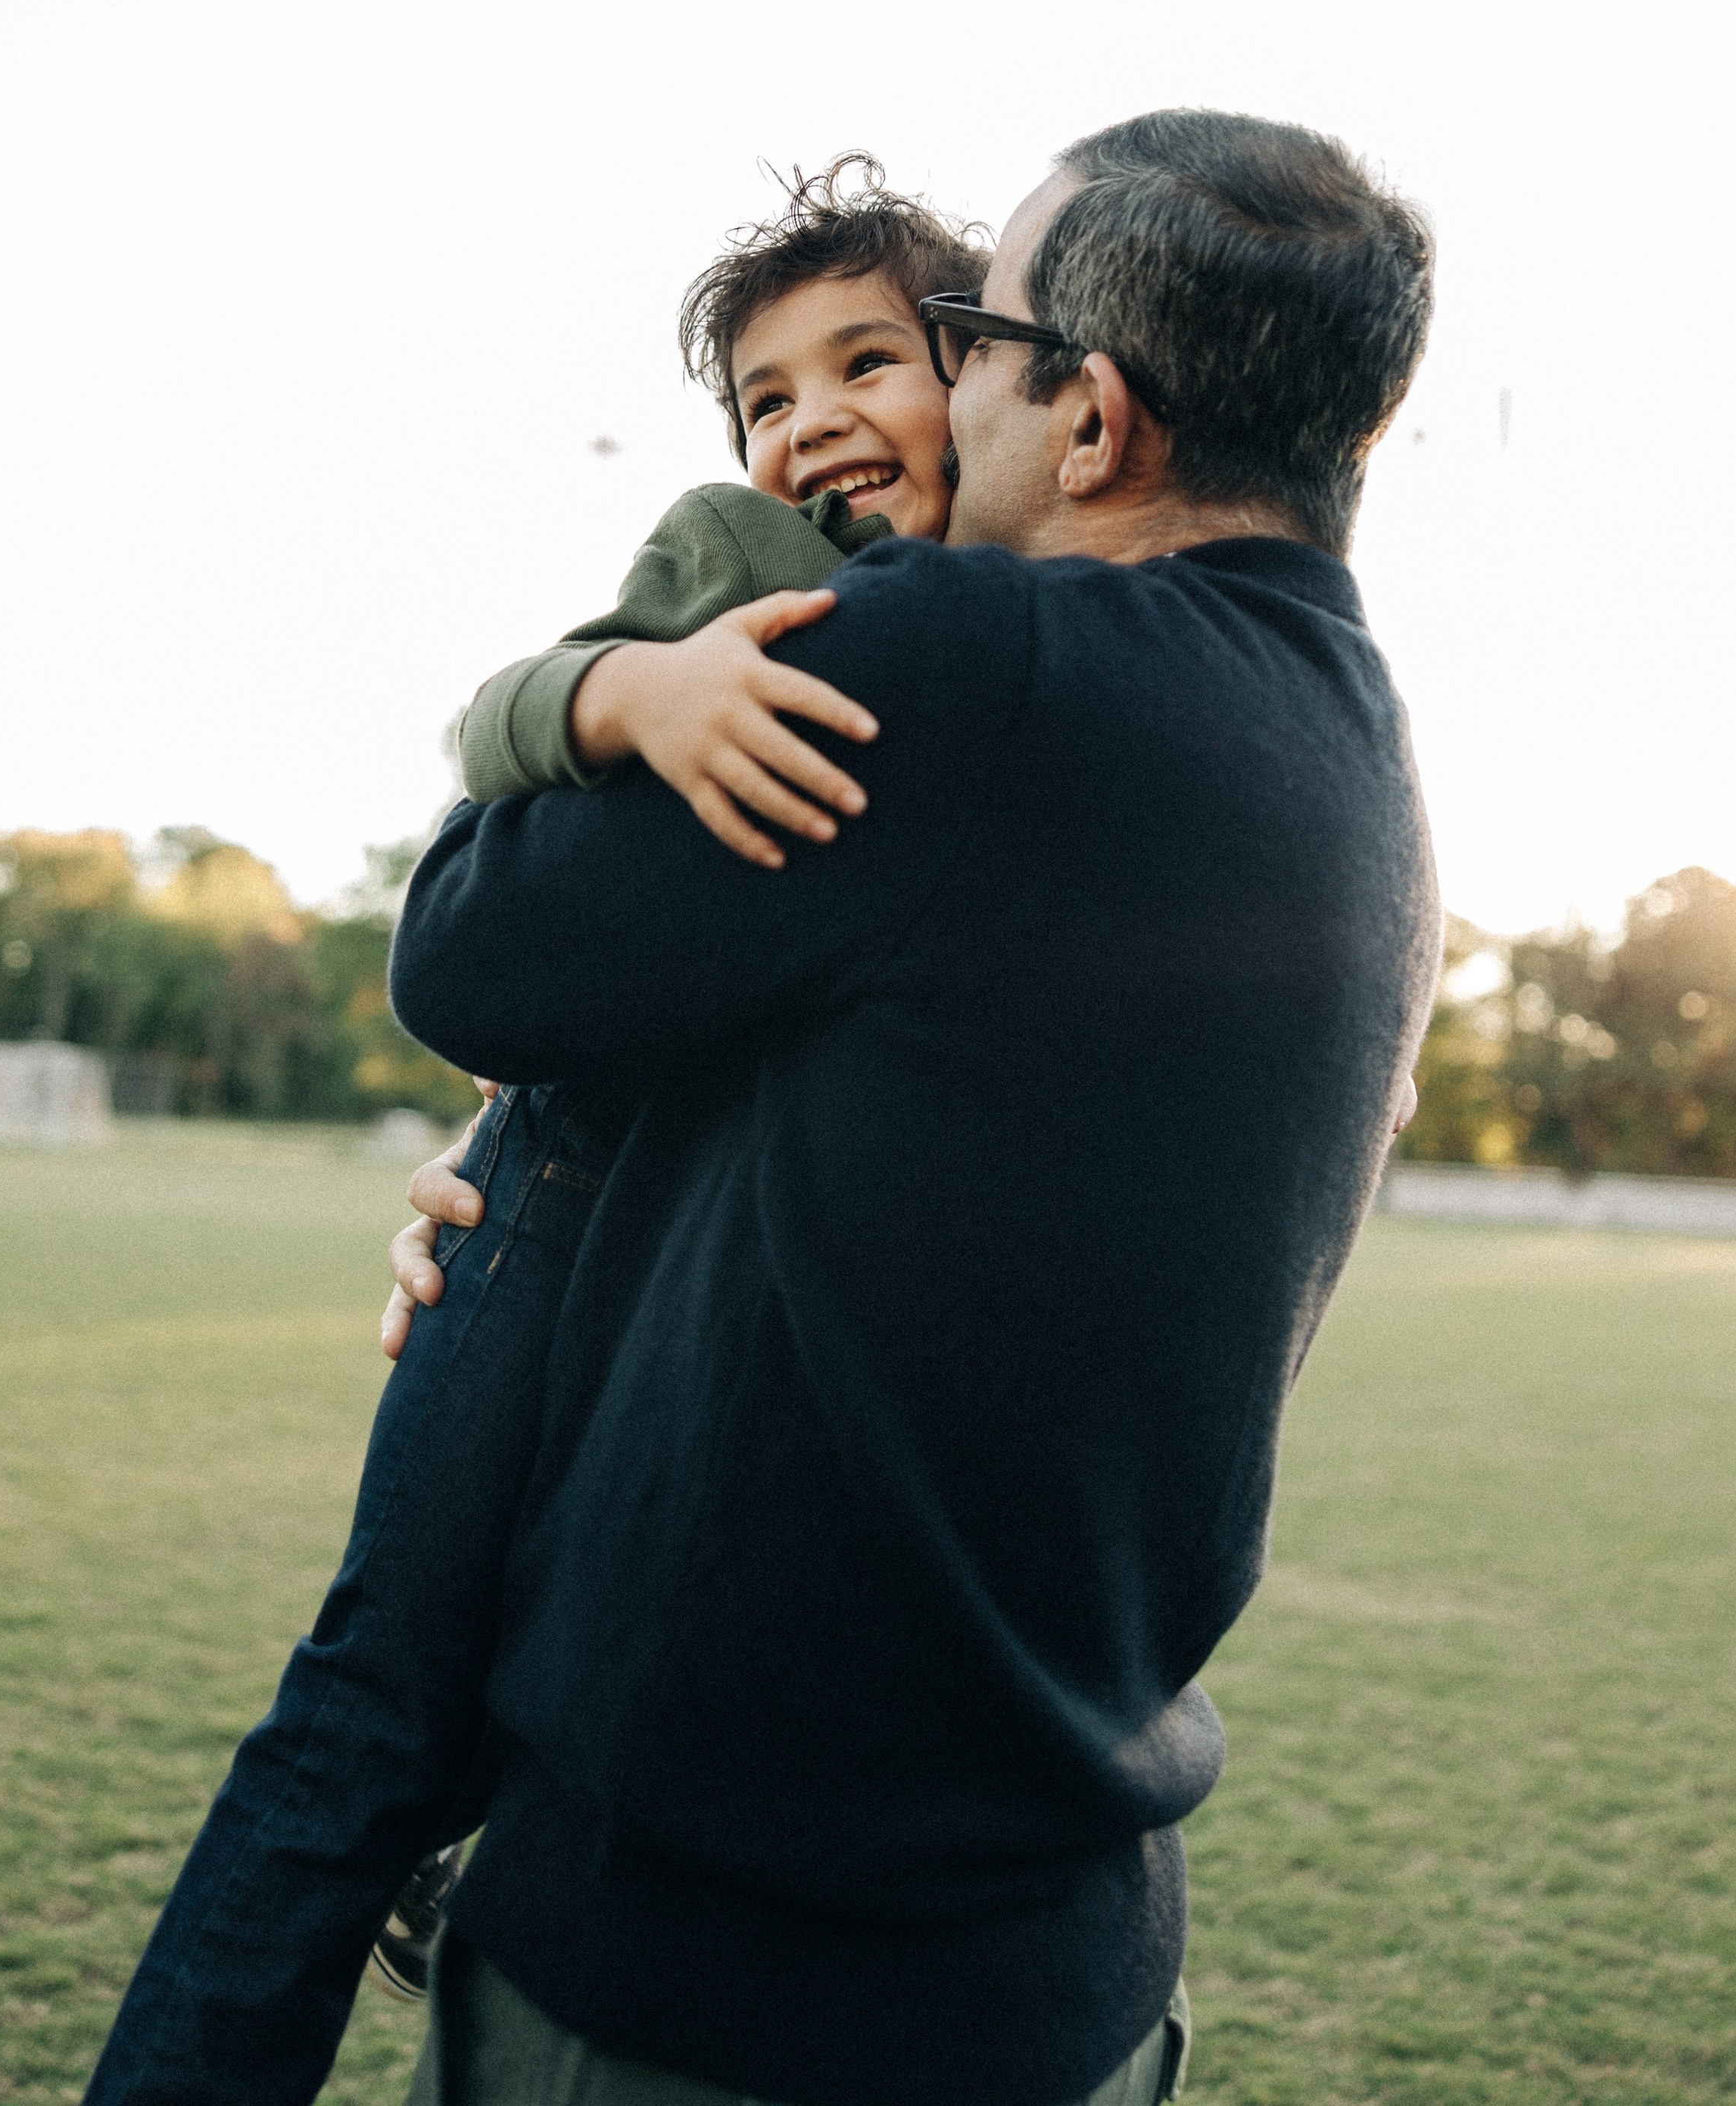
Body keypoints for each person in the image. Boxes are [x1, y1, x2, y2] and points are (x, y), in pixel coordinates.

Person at [385, 108, 1441, 2106]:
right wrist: (549, 1196)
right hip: (1066, 1973)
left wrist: (603, 705)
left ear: (1096, 420)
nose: (938, 382)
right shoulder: (1366, 768)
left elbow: (467, 953)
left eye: (967, 332)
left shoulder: (977, 667)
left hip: (719, 1984)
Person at [81, 165, 990, 2106]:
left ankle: (470, 1832)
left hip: (697, 1228)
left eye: (866, 360)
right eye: (765, 390)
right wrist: (619, 687)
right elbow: (493, 726)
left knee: (507, 1672)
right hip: (562, 1177)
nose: (810, 415)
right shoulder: (741, 558)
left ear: (982, 381)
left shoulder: (1032, 634)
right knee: (362, 1714)